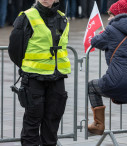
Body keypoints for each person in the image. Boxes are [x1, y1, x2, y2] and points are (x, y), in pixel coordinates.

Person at [8, 0, 71, 145]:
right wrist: (28, 66)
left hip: (57, 78)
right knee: (32, 122)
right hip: (34, 78)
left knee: (52, 122)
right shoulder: (26, 17)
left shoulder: (62, 18)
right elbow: (15, 49)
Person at [88, 0, 127, 145]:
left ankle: (98, 124)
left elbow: (95, 41)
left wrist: (103, 31)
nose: (108, 18)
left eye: (111, 15)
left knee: (92, 87)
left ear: (118, 15)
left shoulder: (112, 29)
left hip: (117, 79)